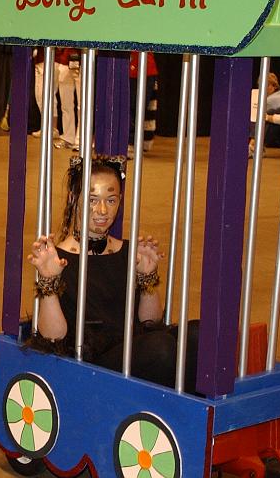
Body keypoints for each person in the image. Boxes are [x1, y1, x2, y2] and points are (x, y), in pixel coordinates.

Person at [27, 156, 199, 389]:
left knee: (199, 334)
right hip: (90, 366)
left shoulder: (129, 251)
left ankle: (196, 410)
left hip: (131, 350)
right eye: (92, 199)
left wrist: (148, 276)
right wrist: (48, 281)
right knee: (161, 348)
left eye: (111, 200)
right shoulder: (56, 259)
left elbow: (150, 321)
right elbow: (52, 338)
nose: (102, 210)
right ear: (73, 198)